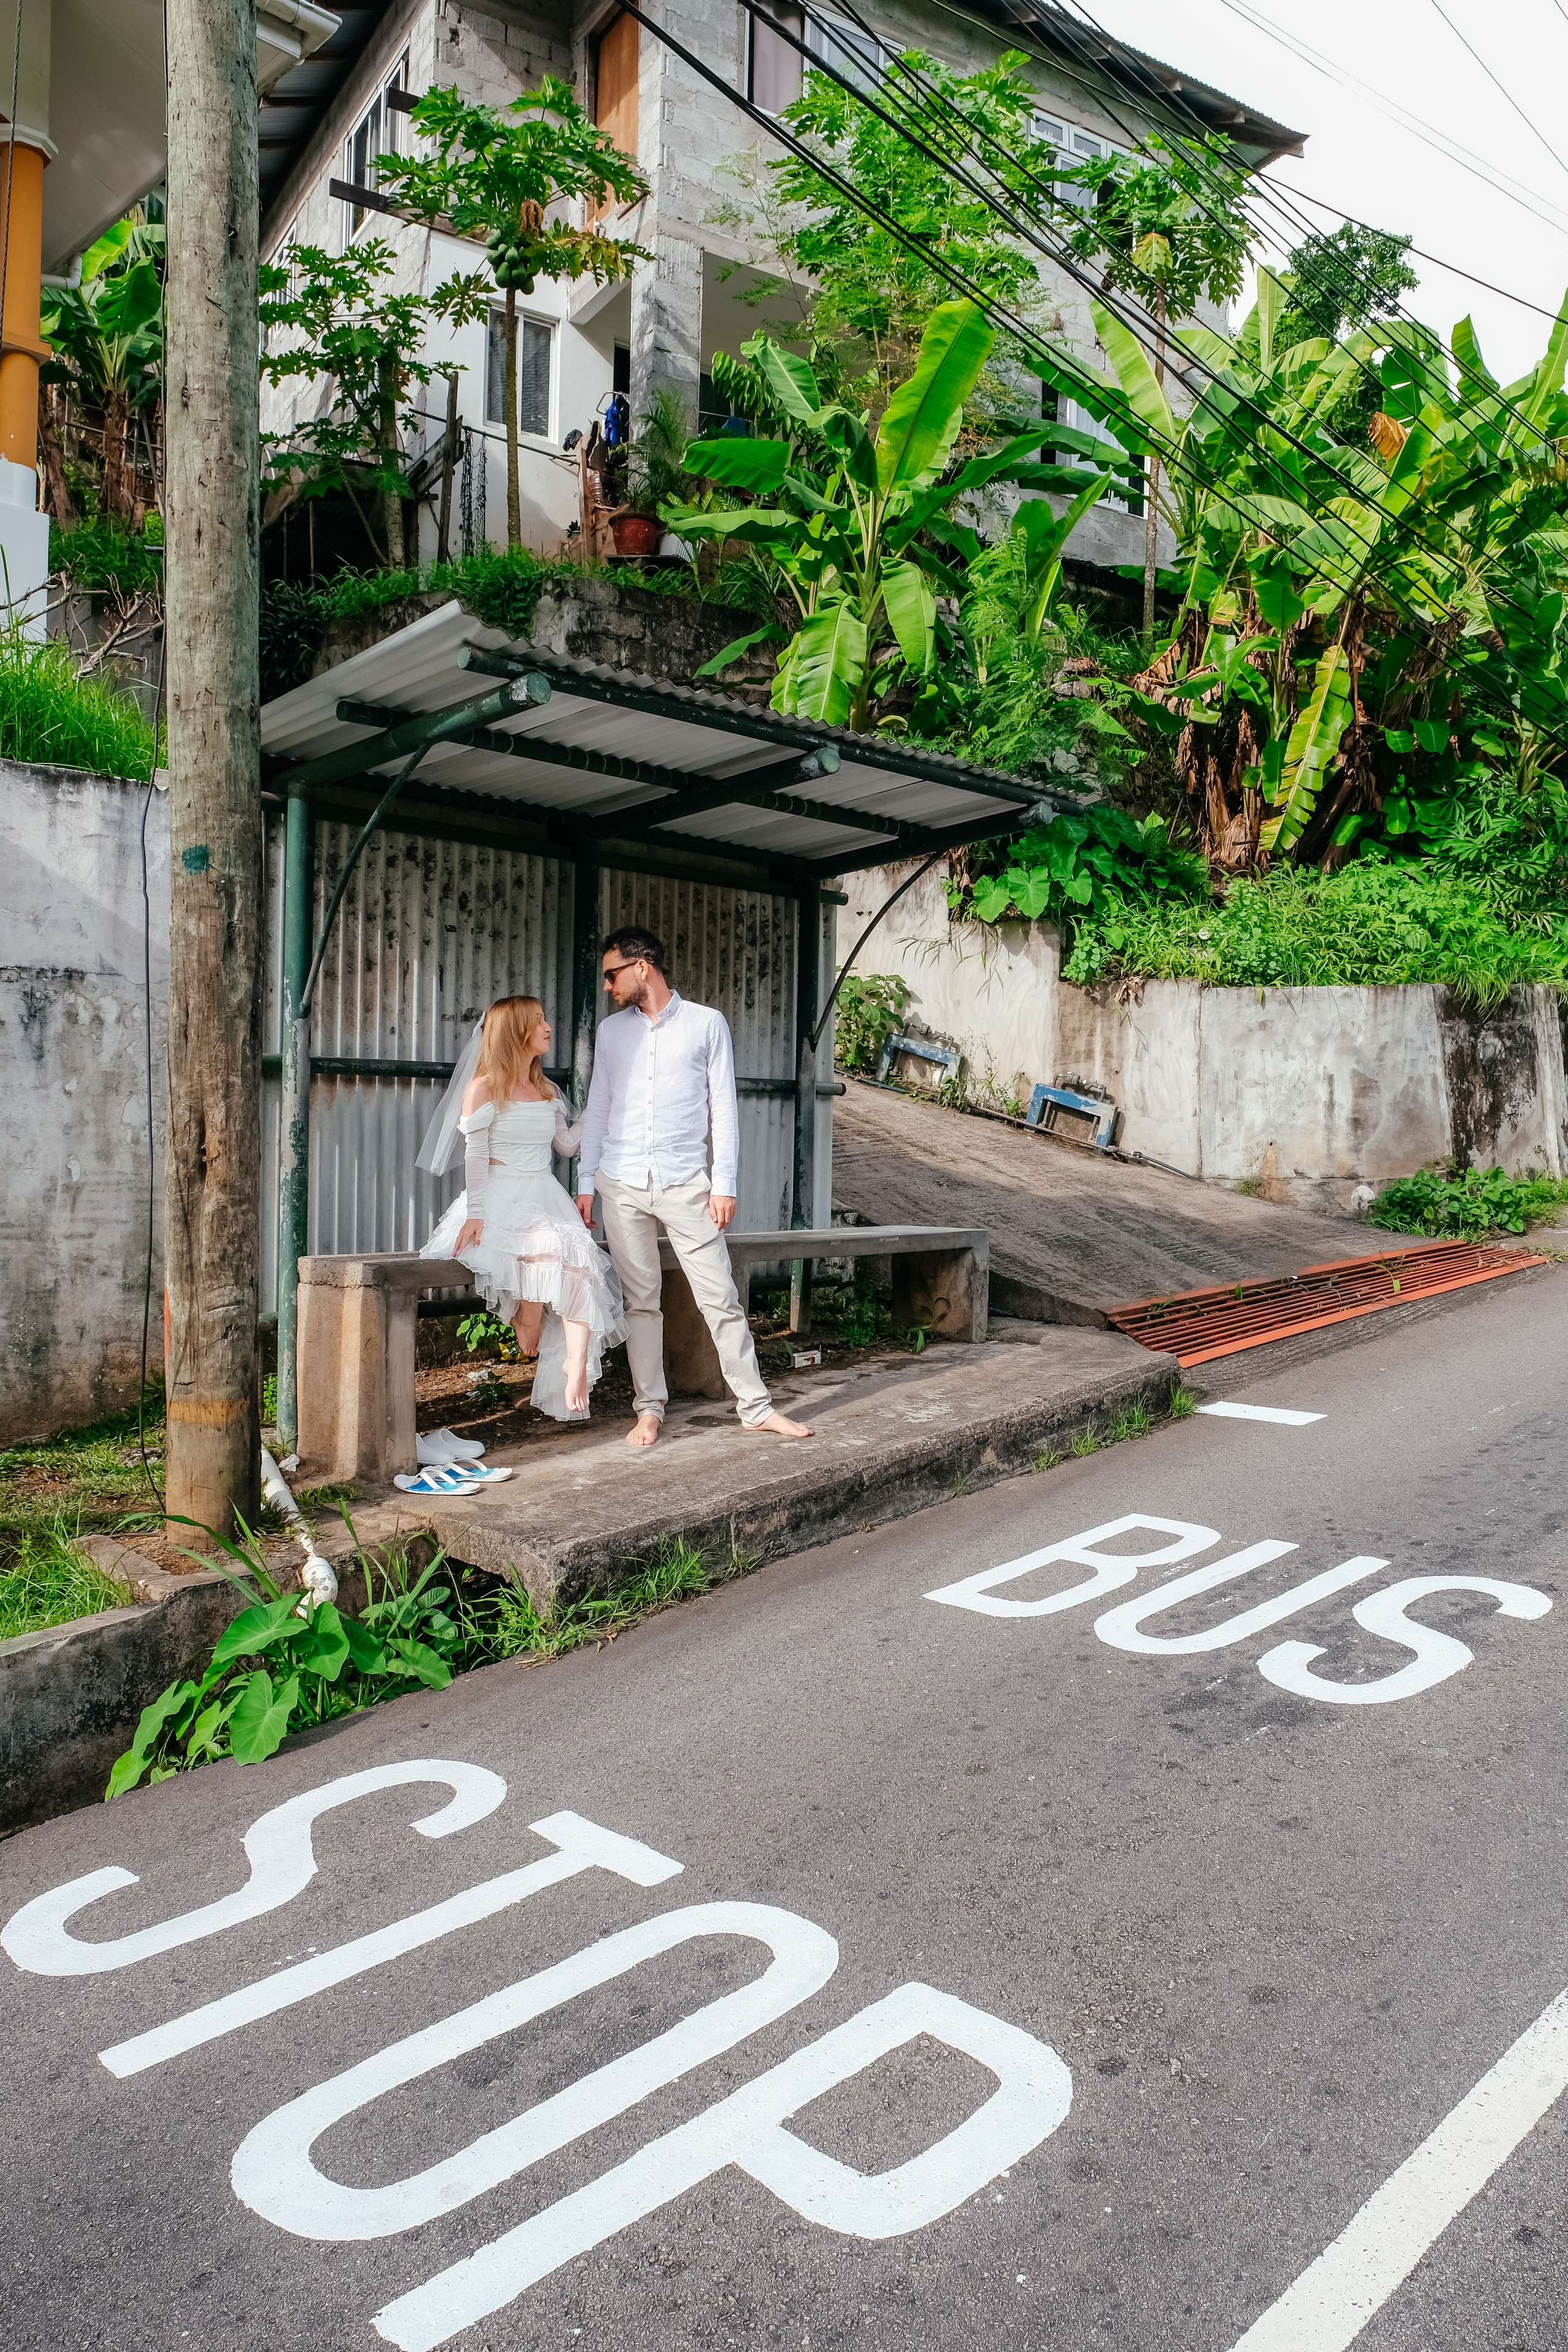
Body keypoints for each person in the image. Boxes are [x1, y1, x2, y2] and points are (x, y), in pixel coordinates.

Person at [575, 926, 813, 1450]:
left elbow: (723, 1110)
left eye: (613, 973)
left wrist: (724, 1184)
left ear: (643, 967)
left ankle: (756, 1408)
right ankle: (649, 1409)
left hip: (687, 1184)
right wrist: (586, 1180)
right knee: (641, 1302)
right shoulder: (613, 1034)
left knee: (720, 1299)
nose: (609, 985)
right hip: (620, 1182)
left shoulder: (708, 1024)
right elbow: (598, 1110)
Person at [418, 995, 625, 1421]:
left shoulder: (547, 1089)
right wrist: (476, 1213)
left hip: (543, 1192)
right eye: (538, 1022)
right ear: (515, 1033)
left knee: (580, 1258)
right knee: (551, 1247)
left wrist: (598, 1112)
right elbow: (475, 1157)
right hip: (499, 1195)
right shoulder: (483, 1089)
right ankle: (526, 1315)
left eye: (546, 1019)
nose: (549, 1027)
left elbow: (566, 1146)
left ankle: (575, 1364)